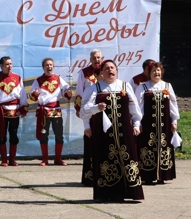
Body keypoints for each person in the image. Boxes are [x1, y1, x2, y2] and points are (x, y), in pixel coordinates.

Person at [82, 60, 144, 202]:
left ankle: (130, 192)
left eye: (112, 67)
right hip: (103, 132)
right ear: (102, 72)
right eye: (106, 68)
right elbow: (83, 111)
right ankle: (107, 193)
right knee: (106, 158)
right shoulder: (94, 88)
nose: (110, 70)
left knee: (126, 157)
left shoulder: (125, 86)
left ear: (116, 70)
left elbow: (134, 108)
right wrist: (95, 109)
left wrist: (136, 123)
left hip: (124, 130)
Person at [135, 61, 179, 183]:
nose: (157, 73)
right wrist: (138, 123)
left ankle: (163, 175)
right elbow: (137, 107)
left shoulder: (167, 86)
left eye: (158, 70)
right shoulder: (143, 87)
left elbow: (173, 104)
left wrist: (174, 120)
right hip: (148, 125)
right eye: (154, 71)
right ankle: (148, 176)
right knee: (147, 147)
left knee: (164, 147)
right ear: (149, 73)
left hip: (164, 124)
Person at [29, 57, 72, 166]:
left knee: (59, 135)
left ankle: (58, 158)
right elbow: (31, 95)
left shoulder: (58, 78)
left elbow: (66, 90)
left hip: (56, 111)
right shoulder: (38, 80)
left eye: (51, 65)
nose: (49, 67)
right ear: (43, 67)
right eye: (47, 65)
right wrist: (34, 95)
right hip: (44, 112)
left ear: (53, 66)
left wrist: (68, 92)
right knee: (44, 134)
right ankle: (45, 159)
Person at [0, 56, 27, 166]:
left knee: (13, 134)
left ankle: (12, 159)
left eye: (11, 64)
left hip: (14, 110)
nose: (9, 66)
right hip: (1, 111)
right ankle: (4, 159)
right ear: (1, 66)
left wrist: (23, 106)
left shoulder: (17, 78)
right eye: (7, 64)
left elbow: (22, 94)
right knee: (2, 135)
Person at [75, 49, 104, 185]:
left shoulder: (106, 70)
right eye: (94, 58)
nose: (96, 60)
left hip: (105, 113)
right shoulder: (84, 73)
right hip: (90, 110)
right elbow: (80, 92)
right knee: (90, 139)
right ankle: (90, 175)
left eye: (98, 57)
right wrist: (79, 108)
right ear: (90, 59)